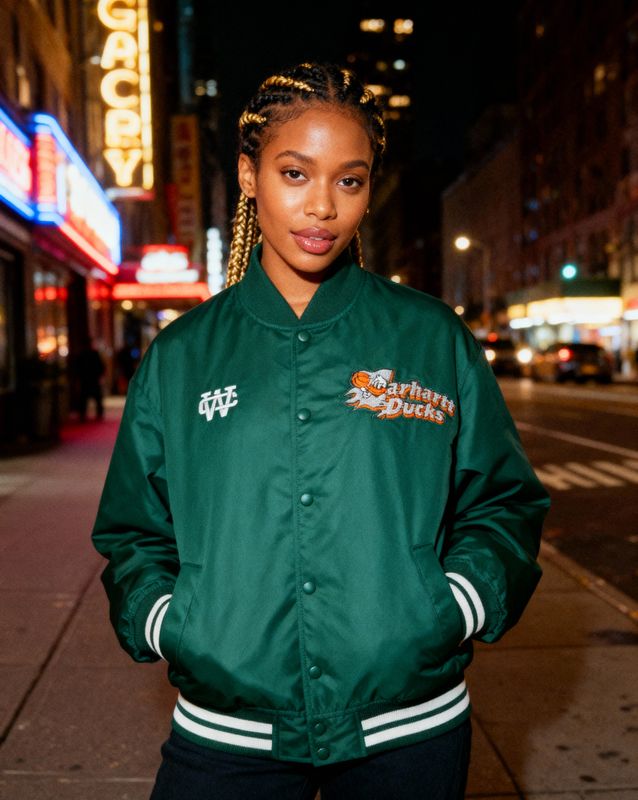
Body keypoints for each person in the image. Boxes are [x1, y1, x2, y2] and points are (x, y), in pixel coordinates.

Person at [91, 61, 551, 799]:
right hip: (227, 730)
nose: (323, 207)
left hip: (408, 728)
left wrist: (451, 606)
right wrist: (171, 623)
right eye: (295, 173)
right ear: (250, 176)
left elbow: (503, 501)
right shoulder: (181, 356)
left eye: (350, 180)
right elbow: (134, 529)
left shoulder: (431, 338)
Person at [75, 338, 105, 421]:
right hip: (92, 379)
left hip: (87, 379)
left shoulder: (82, 354)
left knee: (85, 398)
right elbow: (101, 366)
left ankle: (83, 415)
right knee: (95, 398)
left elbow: (77, 368)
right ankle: (98, 414)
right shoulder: (93, 354)